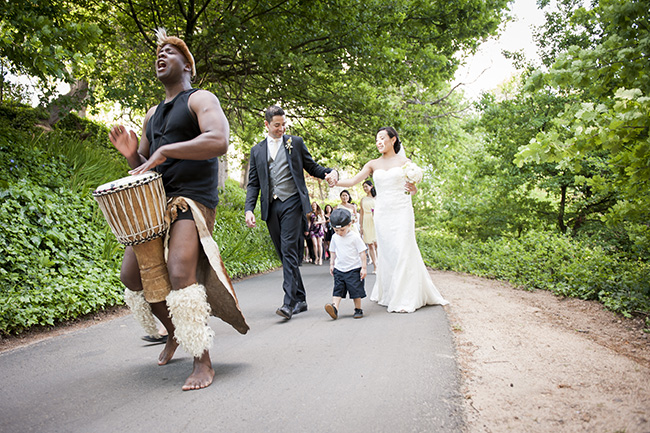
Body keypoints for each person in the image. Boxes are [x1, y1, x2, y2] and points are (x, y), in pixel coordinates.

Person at [109, 28, 248, 391]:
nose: (161, 54)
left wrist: (168, 150)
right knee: (132, 277)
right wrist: (131, 155)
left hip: (192, 198)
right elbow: (145, 164)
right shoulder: (152, 114)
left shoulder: (201, 99)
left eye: (170, 51)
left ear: (187, 64)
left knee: (178, 271)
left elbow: (218, 140)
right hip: (155, 202)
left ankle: (202, 360)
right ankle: (175, 332)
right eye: (158, 51)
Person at [335, 127, 448, 313]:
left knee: (403, 249)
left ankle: (405, 297)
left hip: (402, 211)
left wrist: (413, 187)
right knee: (388, 252)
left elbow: (412, 191)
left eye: (382, 138)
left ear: (393, 139)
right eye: (376, 139)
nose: (378, 142)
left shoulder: (406, 163)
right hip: (383, 213)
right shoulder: (373, 164)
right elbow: (353, 181)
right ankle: (390, 292)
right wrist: (334, 181)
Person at [244, 105, 338, 320]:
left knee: (288, 249)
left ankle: (289, 303)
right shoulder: (257, 150)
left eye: (284, 124)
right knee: (284, 253)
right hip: (271, 205)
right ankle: (301, 298)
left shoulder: (295, 143)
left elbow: (312, 167)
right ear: (267, 124)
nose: (281, 128)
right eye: (277, 125)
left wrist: (330, 173)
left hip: (293, 203)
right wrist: (249, 208)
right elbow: (253, 183)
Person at [325, 208, 368, 320]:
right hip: (339, 268)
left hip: (354, 268)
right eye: (336, 230)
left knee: (355, 290)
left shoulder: (354, 237)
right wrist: (331, 264)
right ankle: (334, 308)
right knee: (337, 289)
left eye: (342, 230)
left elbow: (362, 253)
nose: (339, 233)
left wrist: (363, 268)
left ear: (350, 224)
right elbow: (333, 251)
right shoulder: (335, 237)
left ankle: (358, 309)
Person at [360, 179, 378, 274]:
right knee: (370, 244)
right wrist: (361, 226)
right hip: (366, 220)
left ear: (371, 186)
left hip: (376, 220)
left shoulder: (377, 198)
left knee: (377, 244)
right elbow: (361, 214)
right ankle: (375, 266)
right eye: (363, 187)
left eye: (366, 186)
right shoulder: (363, 199)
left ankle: (381, 263)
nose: (365, 188)